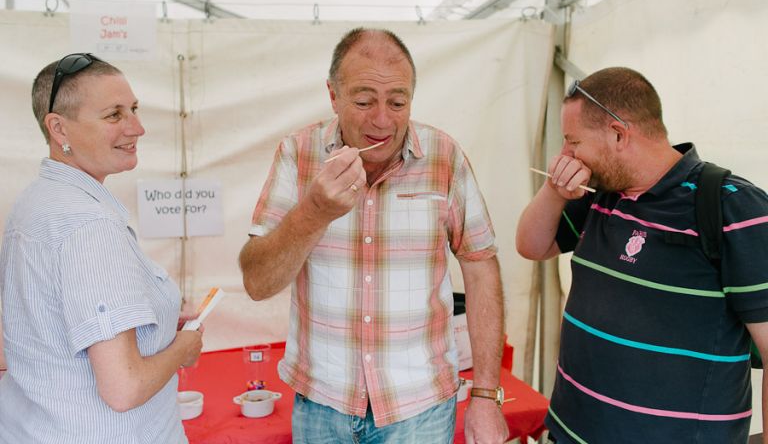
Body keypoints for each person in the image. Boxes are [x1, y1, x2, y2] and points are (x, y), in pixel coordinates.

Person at [239, 28, 509, 443]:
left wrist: (487, 396)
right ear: (333, 95)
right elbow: (258, 282)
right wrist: (314, 212)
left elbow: (480, 265)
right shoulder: (299, 153)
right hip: (322, 403)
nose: (382, 120)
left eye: (397, 102)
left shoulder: (444, 157)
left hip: (419, 408)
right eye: (364, 101)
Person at [516, 67, 768, 443]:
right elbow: (532, 246)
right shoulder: (599, 193)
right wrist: (554, 191)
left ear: (618, 134)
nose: (566, 155)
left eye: (573, 142)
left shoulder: (732, 207)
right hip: (571, 432)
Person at [0, 54, 203, 443]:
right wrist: (183, 347)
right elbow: (123, 388)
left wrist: (159, 329)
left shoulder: (36, 201)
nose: (137, 127)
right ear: (58, 128)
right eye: (114, 115)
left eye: (134, 109)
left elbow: (52, 327)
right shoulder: (89, 224)